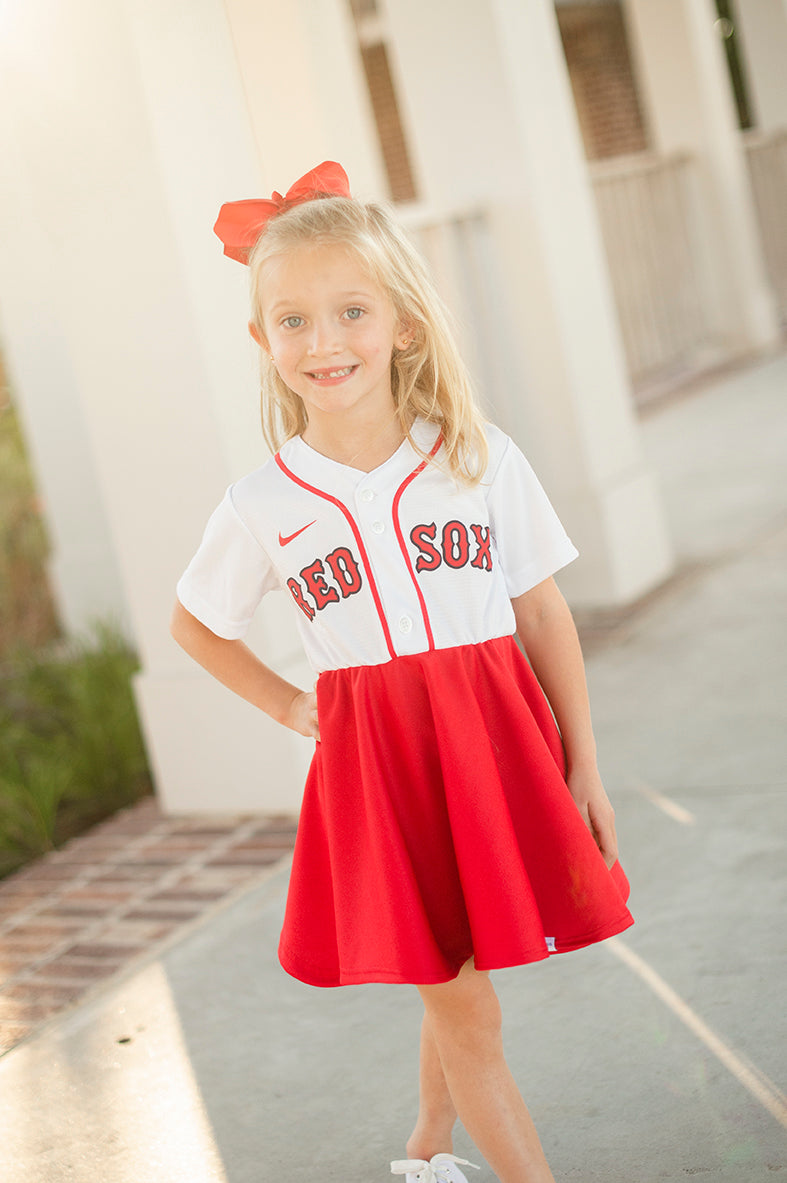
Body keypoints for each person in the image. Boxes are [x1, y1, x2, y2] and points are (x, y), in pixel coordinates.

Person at [171, 161, 633, 1183]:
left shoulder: (474, 457)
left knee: (453, 976)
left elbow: (542, 610)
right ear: (262, 343)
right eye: (291, 321)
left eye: (349, 311)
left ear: (403, 324)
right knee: (466, 1003)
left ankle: (425, 1149)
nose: (322, 341)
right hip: (384, 768)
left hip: (495, 745)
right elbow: (196, 625)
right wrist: (293, 702)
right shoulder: (266, 502)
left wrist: (584, 764)